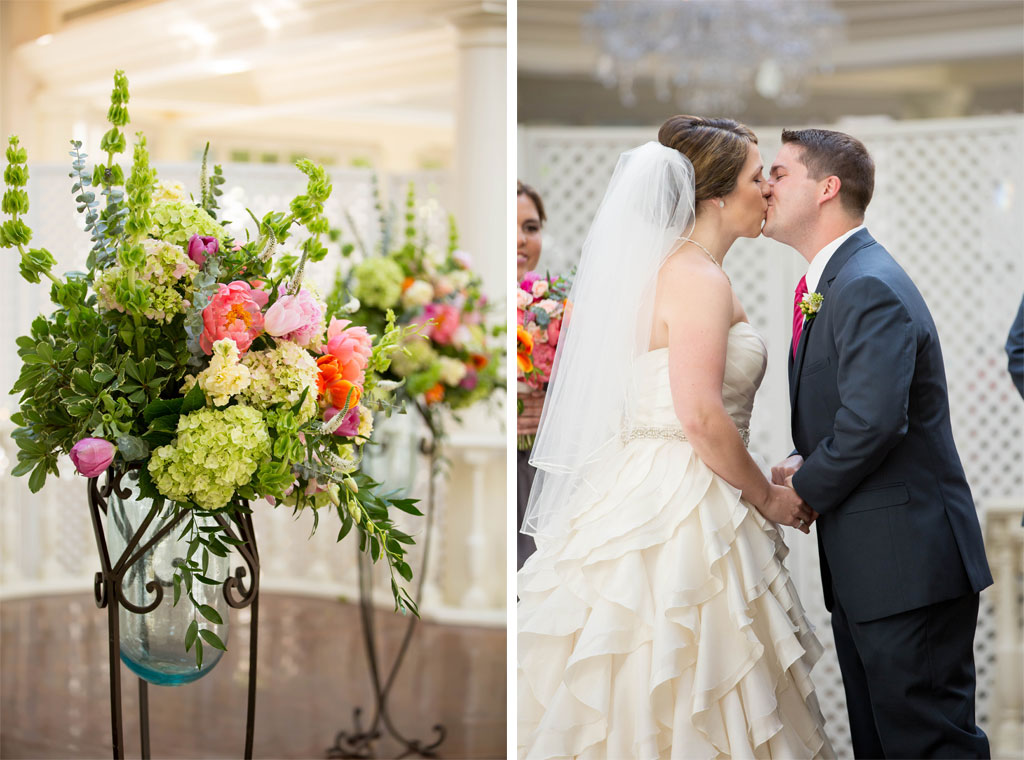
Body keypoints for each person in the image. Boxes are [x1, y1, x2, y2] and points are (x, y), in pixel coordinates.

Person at [518, 116, 833, 759]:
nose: (768, 190)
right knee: (692, 669)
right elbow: (701, 417)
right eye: (755, 178)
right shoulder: (695, 277)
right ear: (716, 196)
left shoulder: (673, 271)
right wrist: (771, 500)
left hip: (651, 480)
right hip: (684, 496)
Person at [764, 128, 993, 759]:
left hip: (907, 568)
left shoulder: (865, 283)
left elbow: (873, 424)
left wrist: (802, 492)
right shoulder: (837, 282)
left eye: (780, 173)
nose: (765, 185)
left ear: (827, 188)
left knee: (926, 746)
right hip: (879, 568)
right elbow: (860, 416)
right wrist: (806, 459)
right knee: (884, 746)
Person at [517, 180, 548, 569]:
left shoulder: (557, 303)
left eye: (531, 228)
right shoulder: (472, 305)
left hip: (546, 468)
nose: (522, 240)